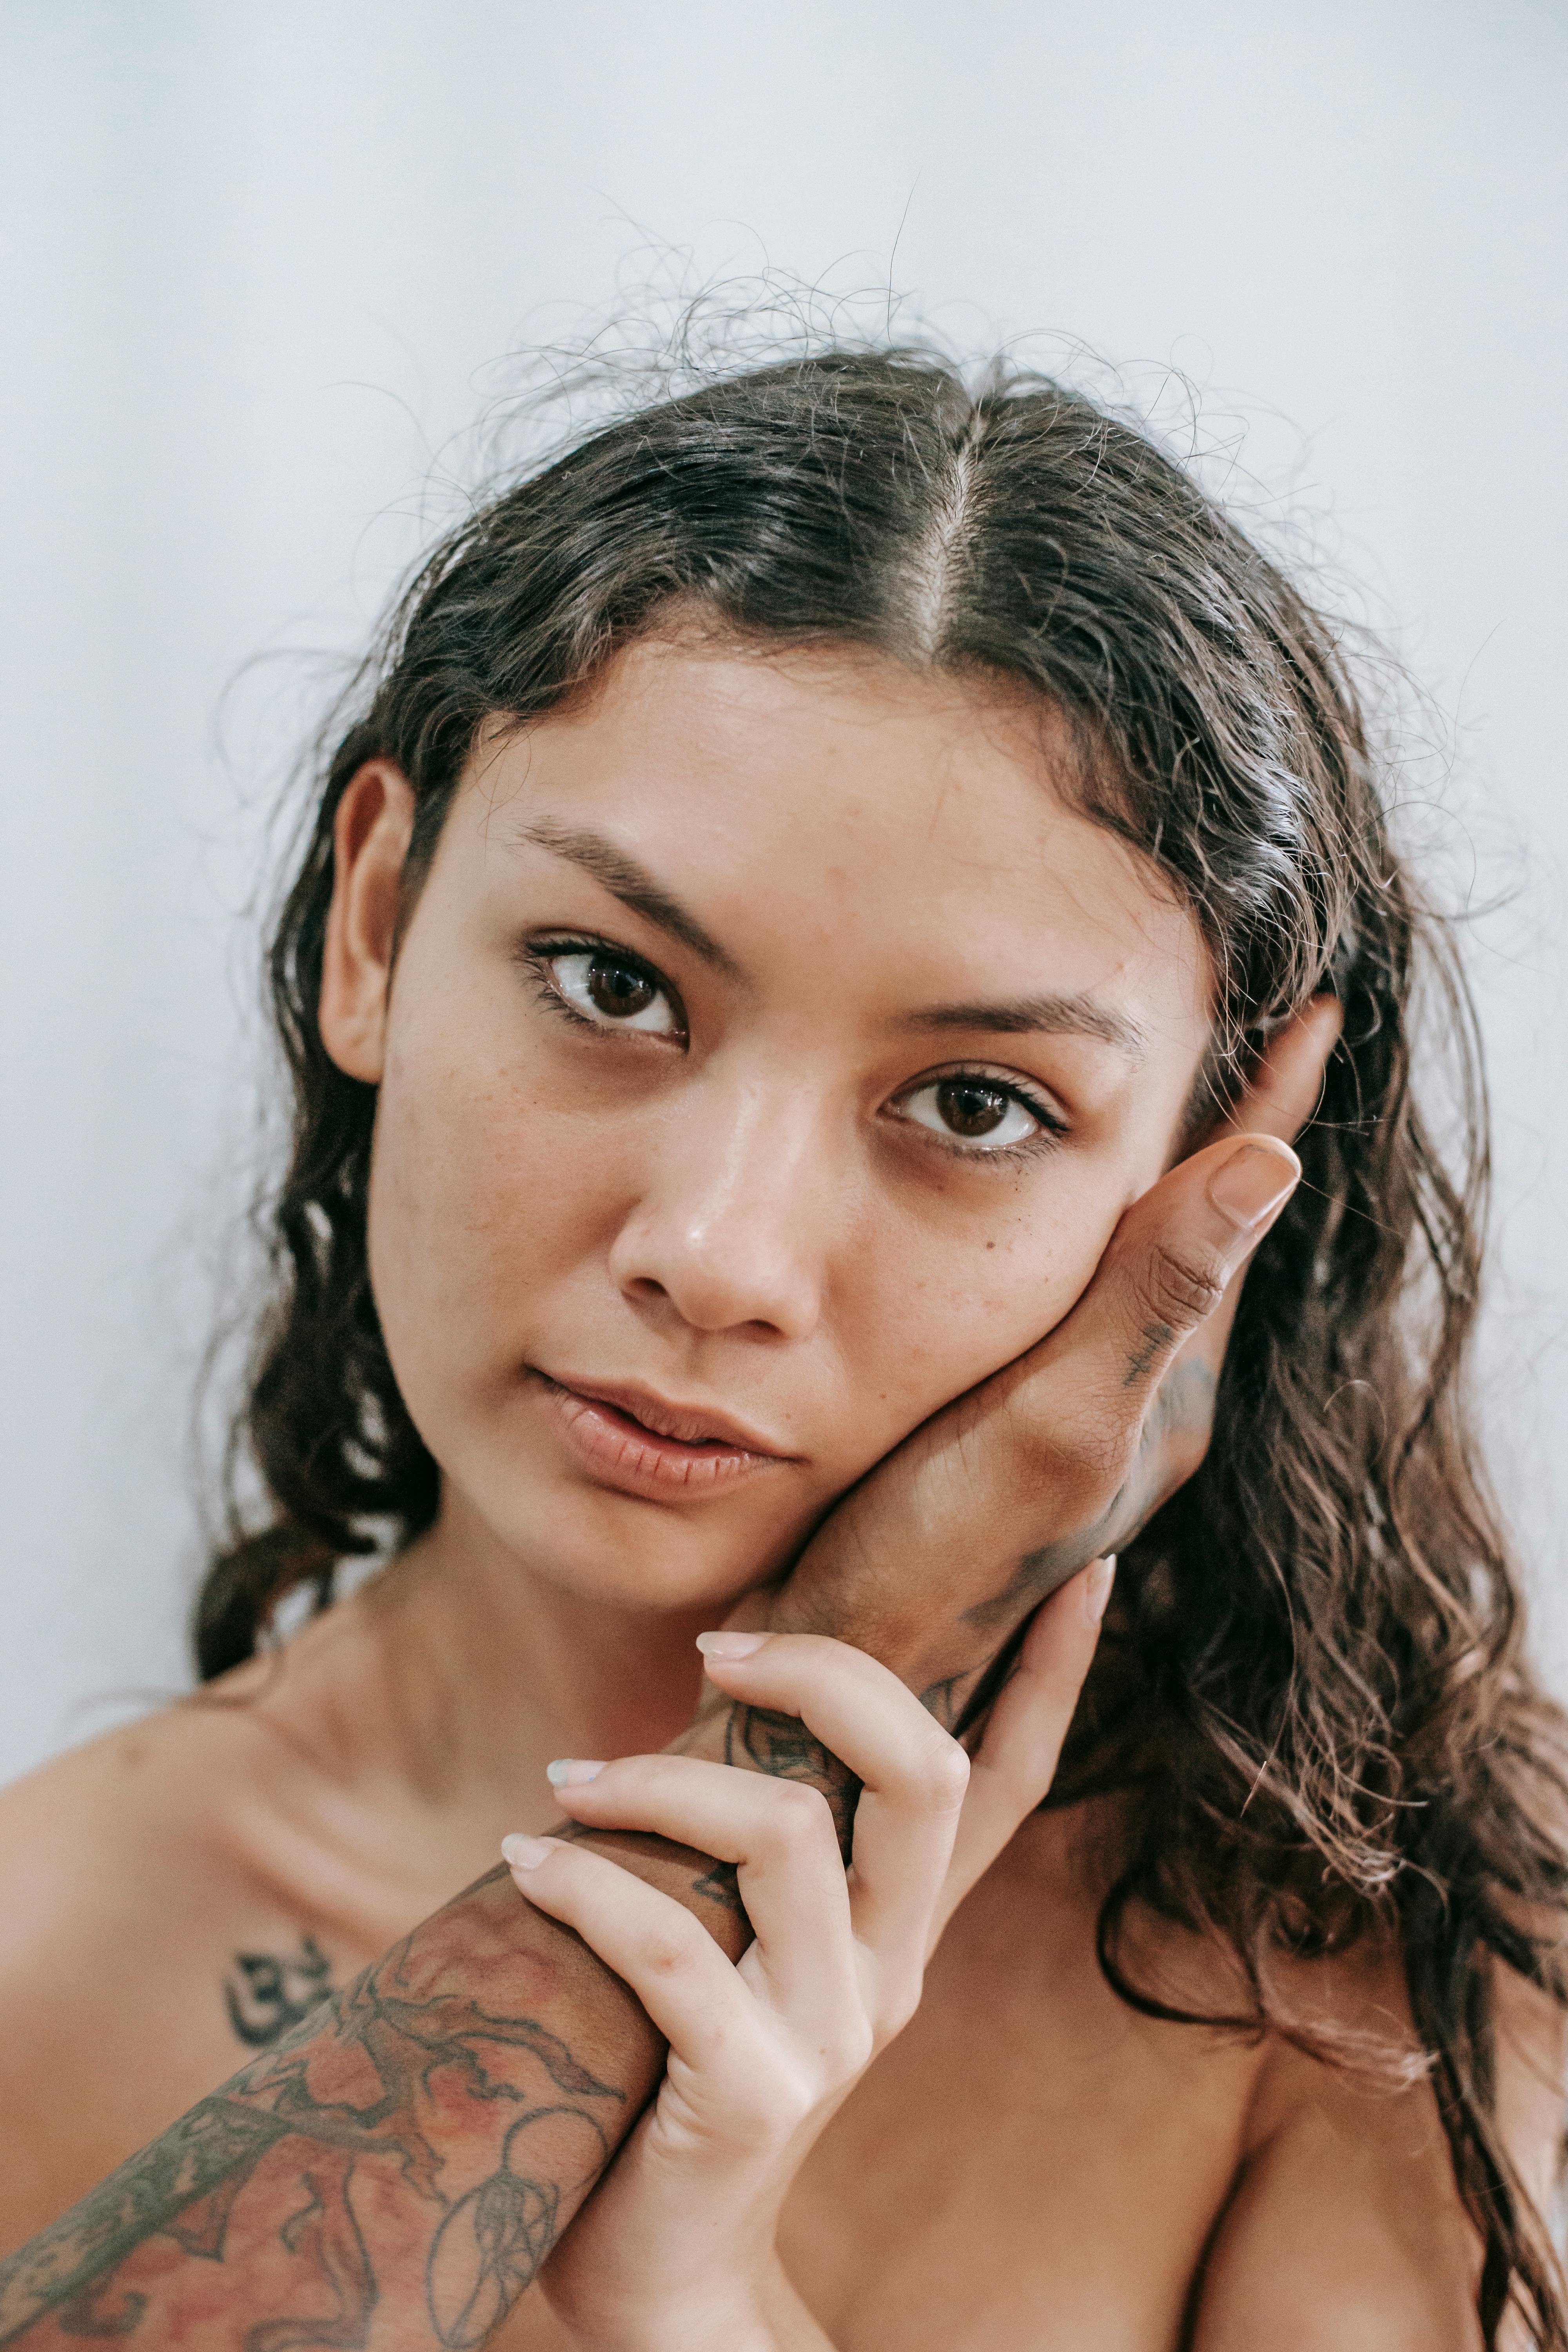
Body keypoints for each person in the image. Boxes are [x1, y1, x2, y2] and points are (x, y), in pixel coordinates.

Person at [0, 345, 1563, 2351]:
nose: (718, 1256)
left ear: (1214, 1172)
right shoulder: (49, 1947)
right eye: (609, 982)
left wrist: (698, 2298)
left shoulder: (1363, 1974)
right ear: (377, 923)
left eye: (976, 1104)